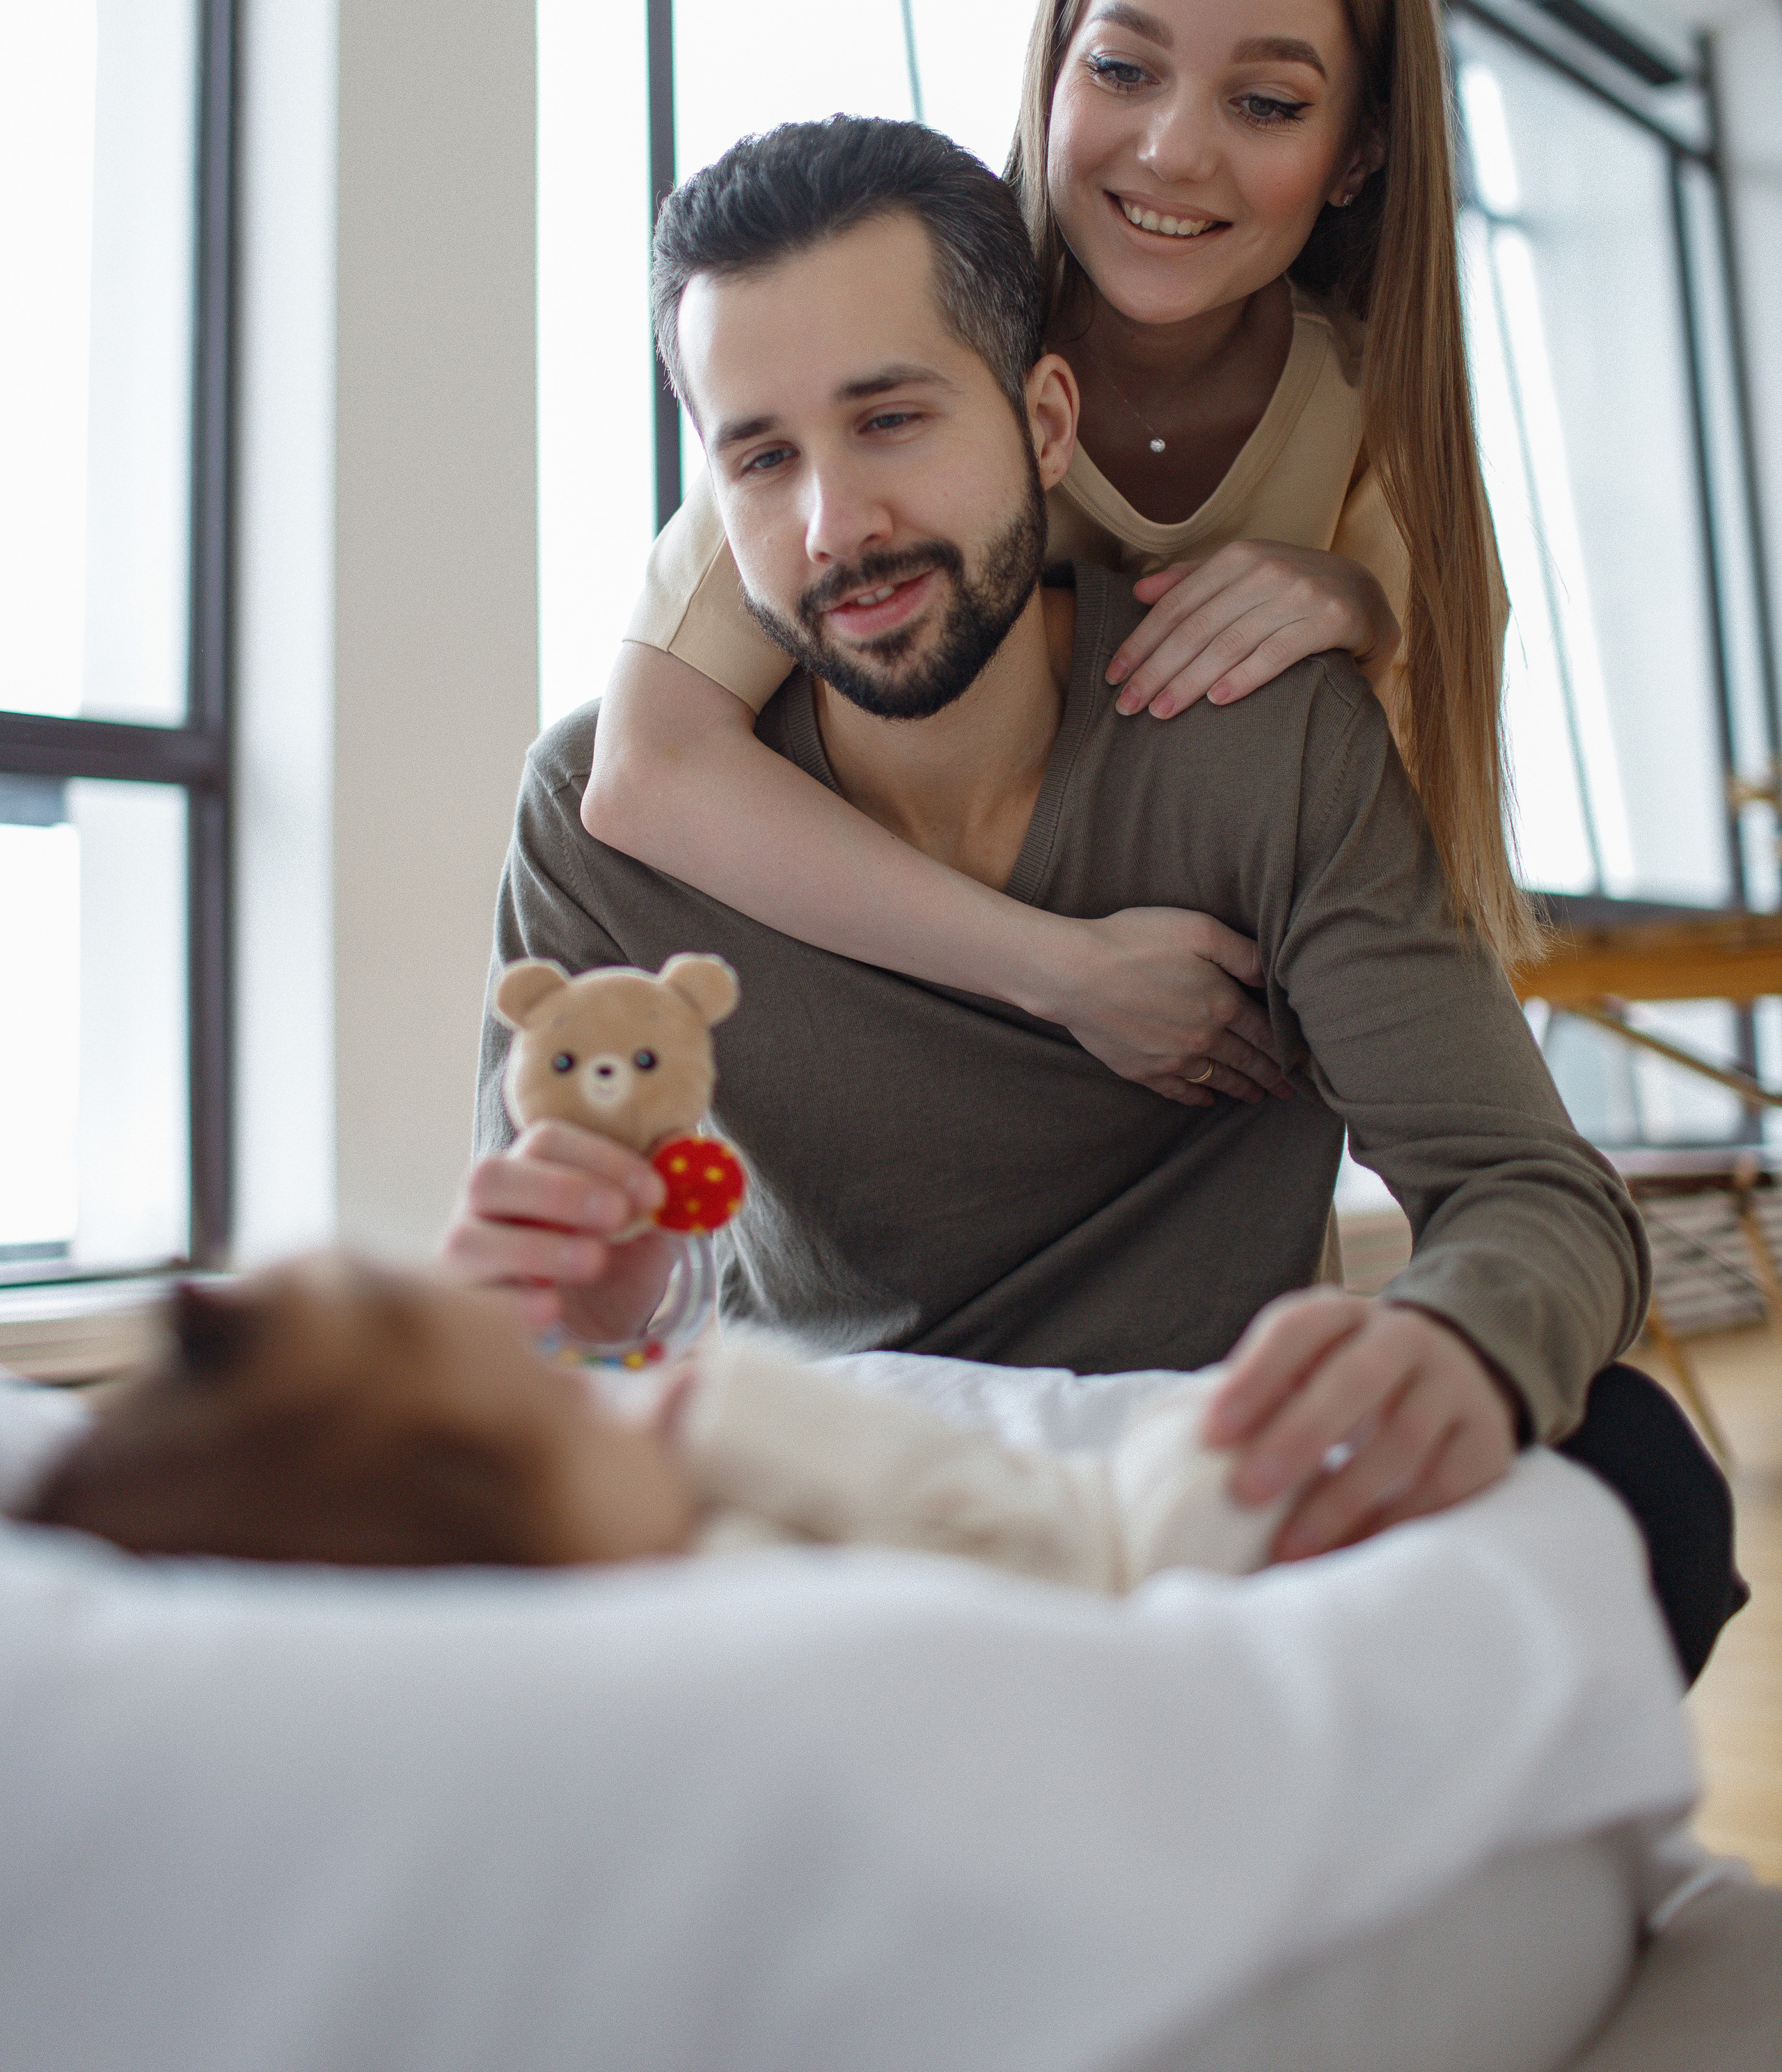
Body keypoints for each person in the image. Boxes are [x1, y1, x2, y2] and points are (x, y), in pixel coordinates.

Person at [449, 113, 1653, 1584]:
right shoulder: (596, 808)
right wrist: (599, 1303)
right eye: (760, 460)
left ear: (1046, 421)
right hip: (809, 1505)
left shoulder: (1262, 742)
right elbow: (565, 1324)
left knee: (1630, 1476)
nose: (836, 524)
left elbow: (1529, 1190)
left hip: (1189, 1491)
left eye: (891, 419)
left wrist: (1442, 1347)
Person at [580, 0, 1526, 1118]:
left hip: (1198, 1130)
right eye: (1124, 70)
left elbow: (1381, 891)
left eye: (1266, 103)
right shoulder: (895, 339)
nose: (1174, 150)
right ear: (1051, 71)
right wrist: (1063, 971)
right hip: (890, 1070)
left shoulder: (1375, 419)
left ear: (1360, 150)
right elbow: (642, 767)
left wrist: (1366, 609)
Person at [22, 1254, 1279, 1591]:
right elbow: (1050, 1557)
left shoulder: (678, 1523)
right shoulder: (725, 1601)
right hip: (1177, 1530)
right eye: (578, 1420)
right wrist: (750, 1410)